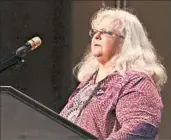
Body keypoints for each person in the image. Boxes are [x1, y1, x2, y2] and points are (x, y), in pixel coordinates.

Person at [60, 7, 167, 140]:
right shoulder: (88, 83)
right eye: (95, 31)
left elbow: (139, 130)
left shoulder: (136, 82)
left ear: (126, 41)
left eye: (106, 32)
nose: (97, 36)